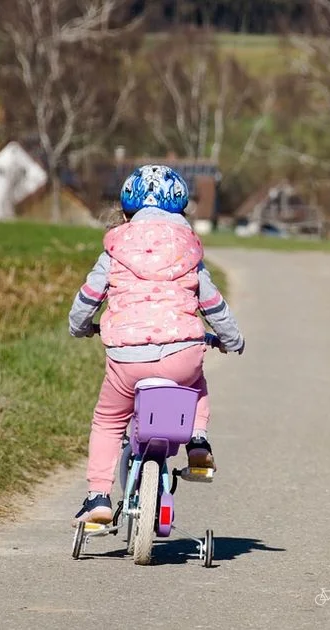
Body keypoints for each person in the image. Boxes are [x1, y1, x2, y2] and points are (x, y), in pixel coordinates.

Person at [68, 164, 245, 525]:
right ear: (181, 210)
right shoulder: (188, 252)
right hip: (182, 352)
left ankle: (98, 496)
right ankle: (197, 441)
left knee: (108, 420)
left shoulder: (115, 250)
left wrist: (81, 327)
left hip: (126, 358)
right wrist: (231, 339)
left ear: (127, 209)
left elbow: (88, 299)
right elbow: (213, 305)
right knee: (195, 385)